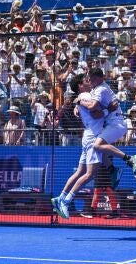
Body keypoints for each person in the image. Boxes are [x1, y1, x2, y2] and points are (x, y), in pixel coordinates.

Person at [51, 74, 109, 219]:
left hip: (88, 135)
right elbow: (97, 115)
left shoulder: (82, 97)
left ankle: (60, 197)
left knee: (80, 172)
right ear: (79, 86)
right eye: (85, 81)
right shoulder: (85, 96)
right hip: (92, 137)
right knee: (90, 174)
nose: (89, 82)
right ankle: (65, 201)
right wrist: (110, 109)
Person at [78, 68, 136, 173]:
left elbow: (92, 106)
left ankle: (129, 159)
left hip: (116, 124)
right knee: (97, 145)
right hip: (110, 124)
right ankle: (113, 171)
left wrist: (80, 102)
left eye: (91, 80)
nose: (89, 82)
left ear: (97, 79)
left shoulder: (101, 89)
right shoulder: (96, 89)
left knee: (97, 145)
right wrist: (76, 106)